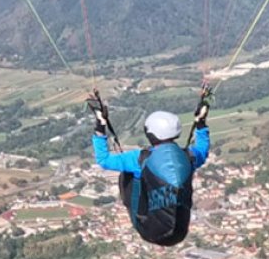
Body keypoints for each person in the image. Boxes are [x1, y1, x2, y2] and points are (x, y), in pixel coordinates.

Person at [87, 85, 211, 247]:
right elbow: (203, 149)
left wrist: (100, 125)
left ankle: (138, 208)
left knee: (128, 174)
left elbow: (104, 160)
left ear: (150, 134)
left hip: (149, 230)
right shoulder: (189, 156)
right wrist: (201, 123)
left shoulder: (140, 158)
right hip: (180, 231)